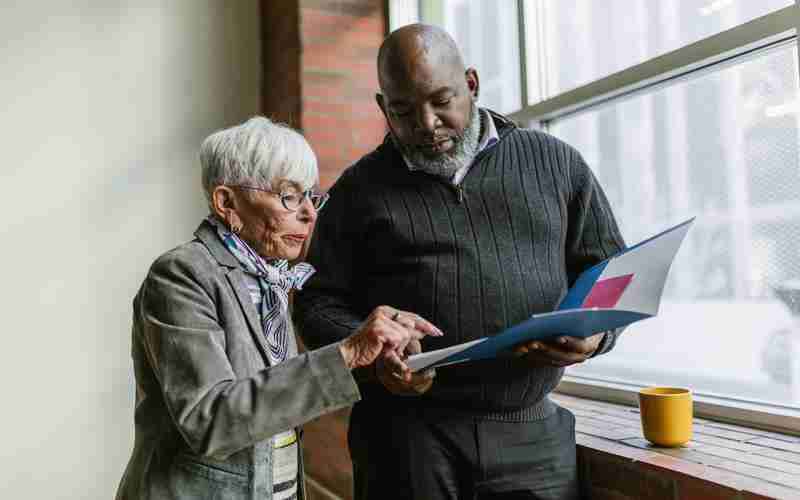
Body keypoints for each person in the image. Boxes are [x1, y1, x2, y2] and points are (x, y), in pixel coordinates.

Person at [294, 24, 626, 499]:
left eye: (441, 101)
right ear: (382, 106)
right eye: (403, 110)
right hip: (403, 440)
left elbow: (611, 271)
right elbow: (316, 303)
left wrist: (598, 335)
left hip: (531, 436)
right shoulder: (357, 192)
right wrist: (372, 353)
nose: (426, 124)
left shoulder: (556, 163)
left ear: (470, 83)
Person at [115, 116, 442, 500]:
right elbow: (211, 421)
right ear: (227, 202)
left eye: (310, 196)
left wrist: (377, 361)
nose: (309, 213)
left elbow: (273, 393)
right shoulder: (182, 275)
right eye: (289, 196)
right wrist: (348, 352)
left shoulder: (269, 275)